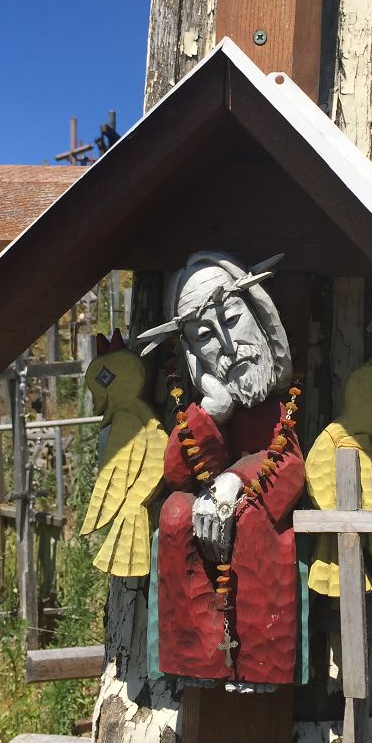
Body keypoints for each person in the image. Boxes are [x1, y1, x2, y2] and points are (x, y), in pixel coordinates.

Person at [138, 252, 304, 688]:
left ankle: (263, 665)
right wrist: (212, 411)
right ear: (191, 351)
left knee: (253, 525)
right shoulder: (208, 404)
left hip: (253, 531)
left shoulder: (276, 405)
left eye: (232, 319)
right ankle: (196, 661)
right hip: (208, 544)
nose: (228, 347)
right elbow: (179, 472)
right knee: (174, 514)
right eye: (206, 336)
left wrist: (235, 481)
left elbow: (287, 464)